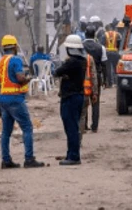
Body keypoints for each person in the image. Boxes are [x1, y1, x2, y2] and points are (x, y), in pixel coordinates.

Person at [0, 35, 45, 169]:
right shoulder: (15, 59)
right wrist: (28, 78)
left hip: (3, 99)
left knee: (6, 132)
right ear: (15, 47)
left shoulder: (1, 61)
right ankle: (29, 159)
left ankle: (6, 160)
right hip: (15, 98)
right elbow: (20, 78)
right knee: (27, 128)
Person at [53, 35, 87, 165]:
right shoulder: (81, 61)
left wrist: (64, 73)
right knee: (72, 127)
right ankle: (71, 154)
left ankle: (73, 156)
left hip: (70, 97)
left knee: (71, 127)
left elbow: (57, 72)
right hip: (77, 96)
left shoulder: (72, 62)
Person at [81, 26, 105, 132]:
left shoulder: (81, 46)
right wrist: (106, 80)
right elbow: (104, 64)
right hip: (97, 77)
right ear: (94, 34)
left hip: (84, 77)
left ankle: (84, 125)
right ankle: (94, 126)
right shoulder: (101, 47)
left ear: (85, 34)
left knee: (84, 101)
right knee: (95, 101)